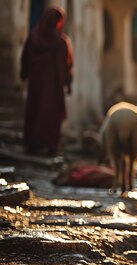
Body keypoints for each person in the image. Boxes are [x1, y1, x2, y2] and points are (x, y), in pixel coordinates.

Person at [20, 6, 73, 155]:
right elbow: (67, 65)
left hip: (37, 84)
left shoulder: (35, 37)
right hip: (53, 87)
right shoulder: (60, 42)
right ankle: (48, 145)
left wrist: (24, 74)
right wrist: (68, 83)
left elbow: (25, 58)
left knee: (36, 111)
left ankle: (33, 143)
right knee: (49, 114)